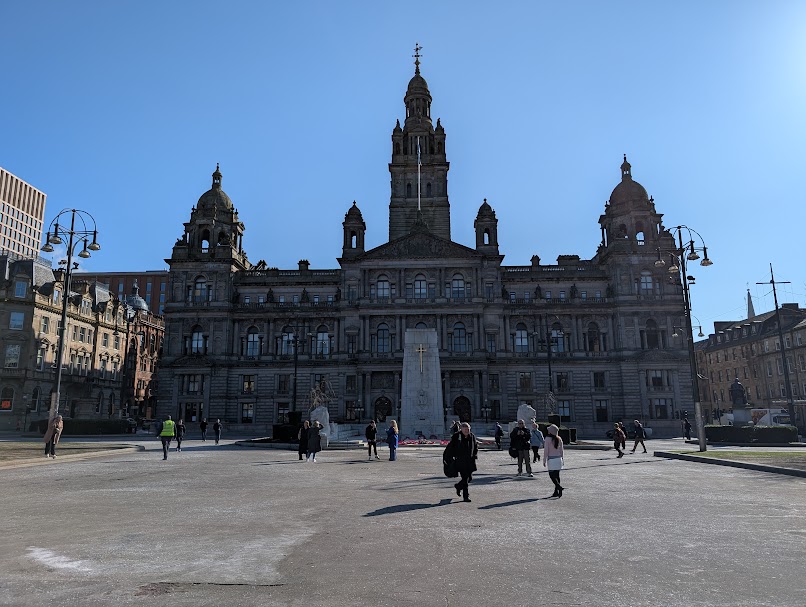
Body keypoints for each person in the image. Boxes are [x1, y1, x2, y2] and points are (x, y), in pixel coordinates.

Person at [447, 422, 478, 502]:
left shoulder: (472, 436)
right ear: (461, 429)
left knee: (469, 478)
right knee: (465, 478)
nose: (467, 431)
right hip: (461, 461)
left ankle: (458, 486)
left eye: (468, 429)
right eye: (465, 430)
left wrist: (475, 455)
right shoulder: (456, 436)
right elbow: (451, 447)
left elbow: (475, 446)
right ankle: (466, 496)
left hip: (470, 461)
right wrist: (452, 457)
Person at [543, 424, 565, 497]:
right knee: (557, 475)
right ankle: (556, 492)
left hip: (551, 459)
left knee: (552, 475)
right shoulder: (559, 438)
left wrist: (544, 460)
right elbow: (562, 450)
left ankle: (559, 487)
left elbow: (546, 450)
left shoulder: (547, 439)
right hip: (558, 459)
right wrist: (562, 459)